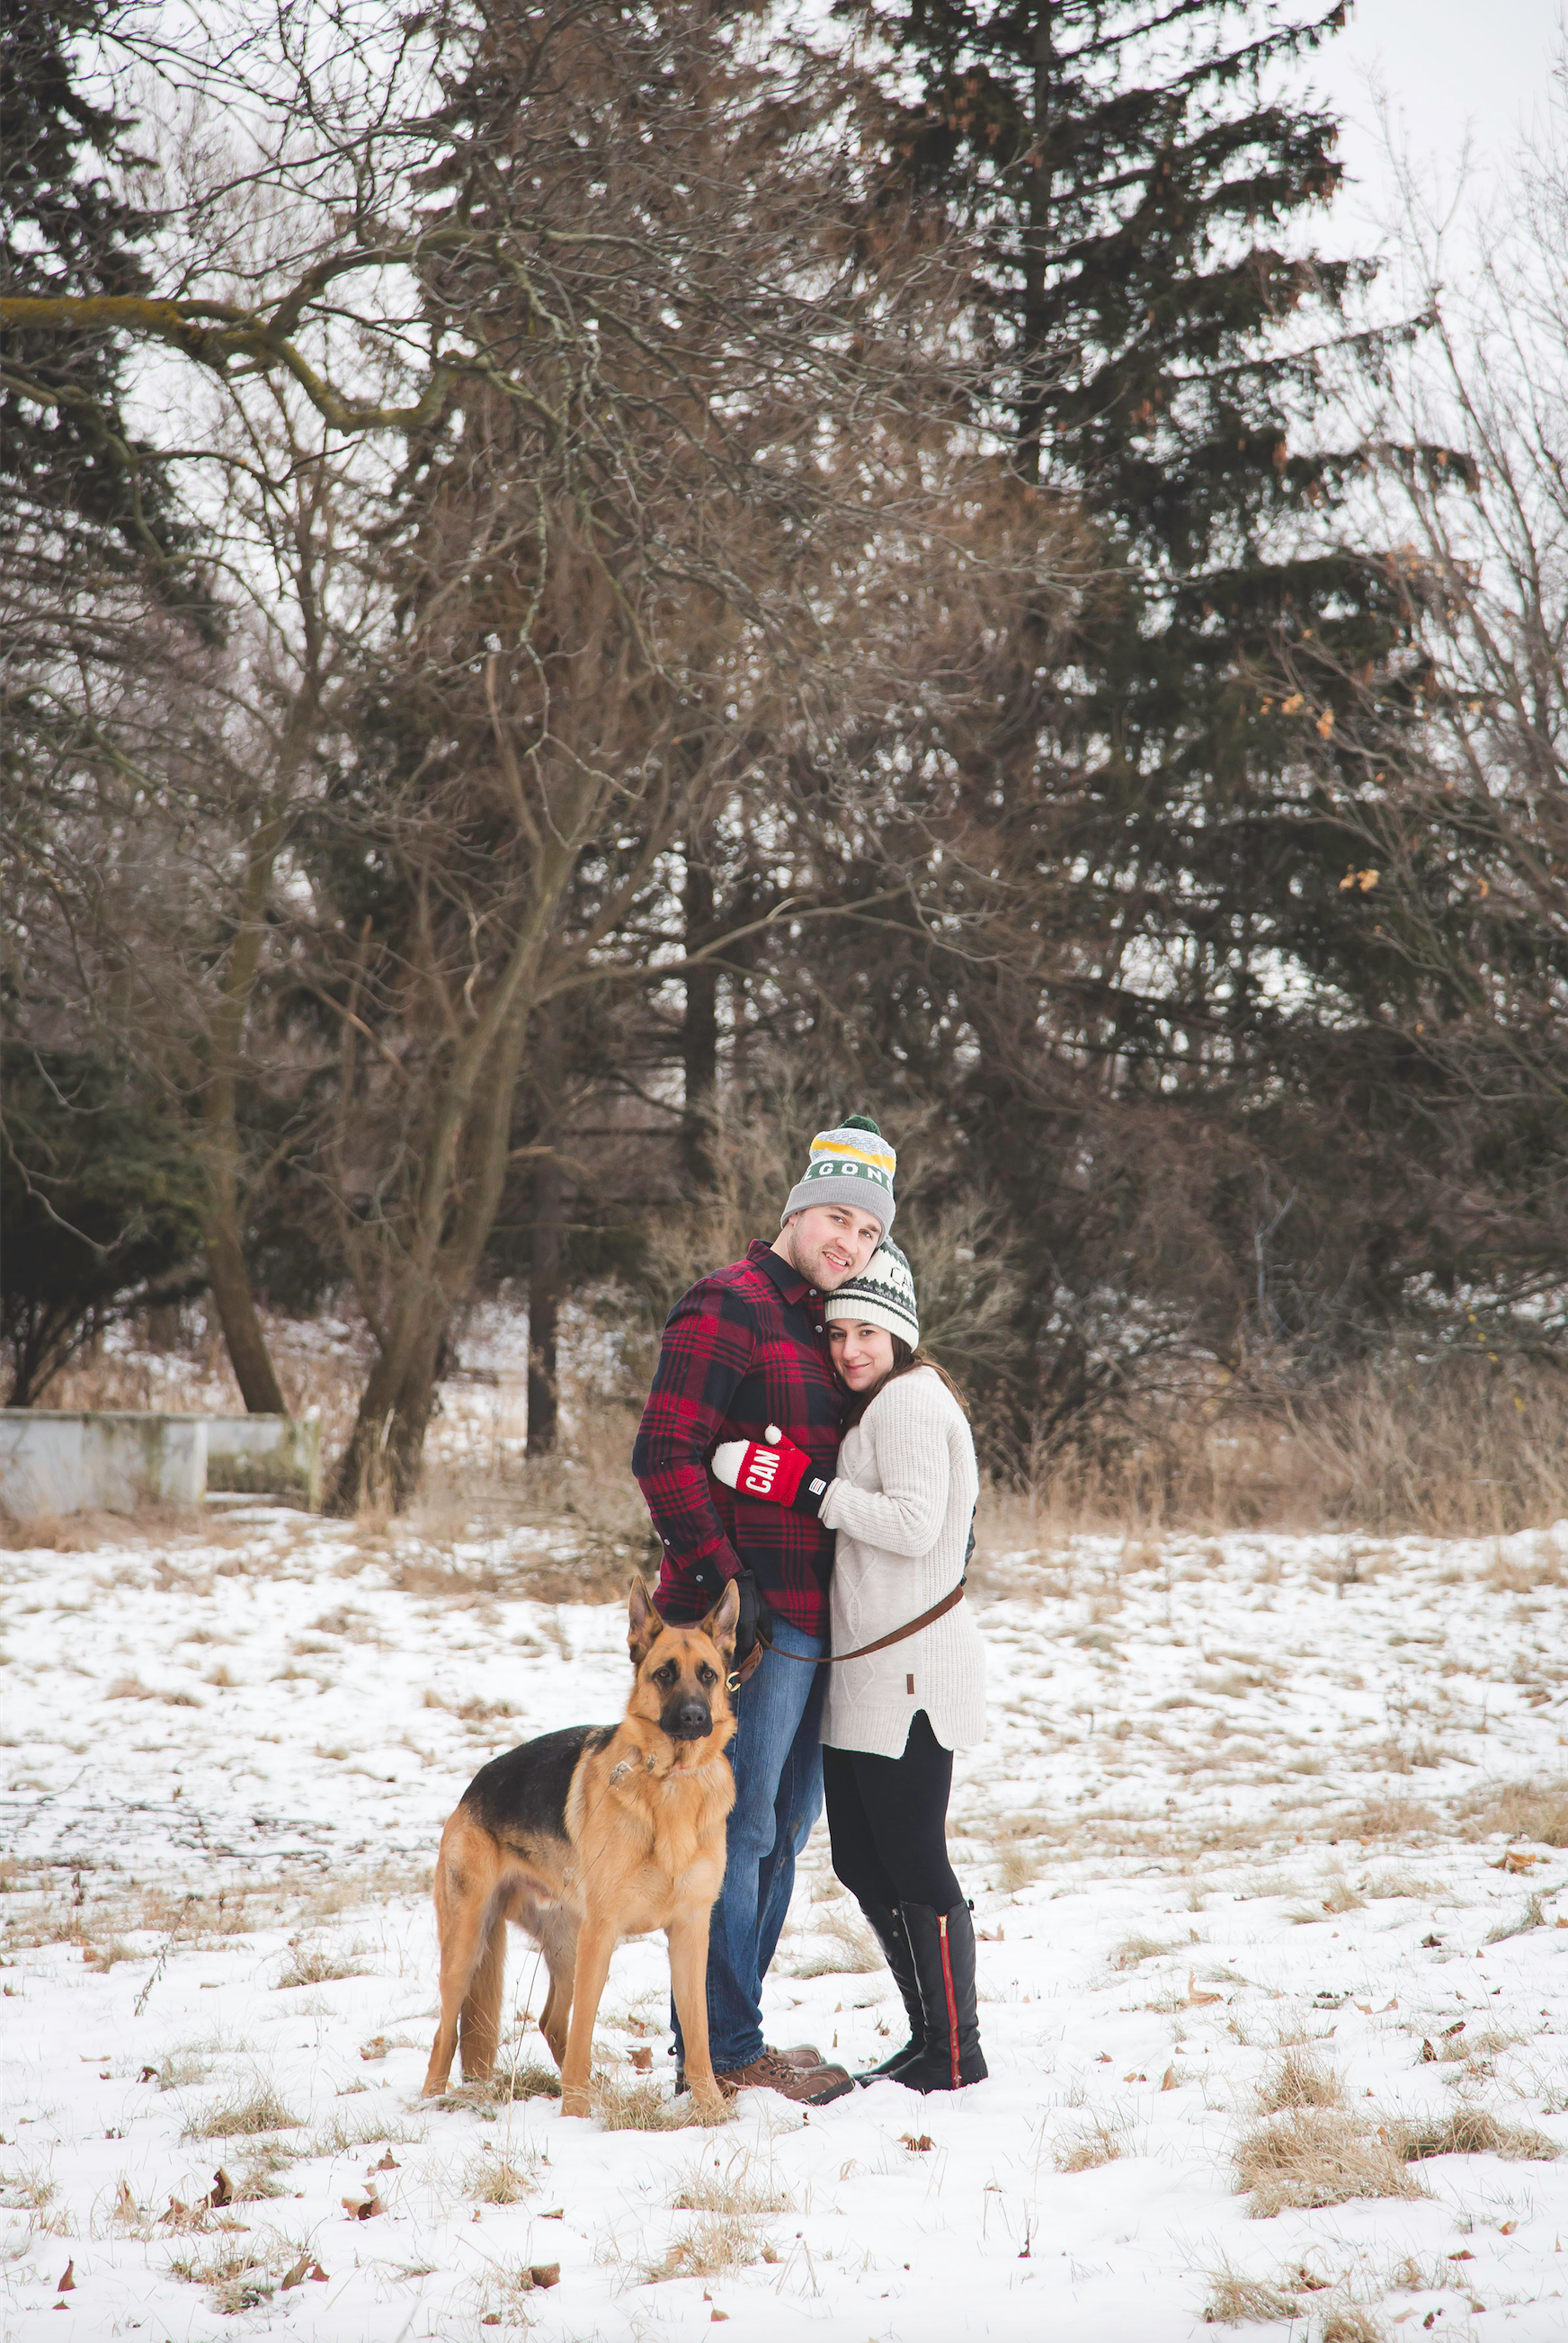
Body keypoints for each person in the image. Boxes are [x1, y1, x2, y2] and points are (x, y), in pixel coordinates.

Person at [631, 1114, 896, 2103]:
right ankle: (716, 2053)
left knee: (779, 1834)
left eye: (869, 1232)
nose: (850, 1242)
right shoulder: (729, 1304)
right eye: (837, 1217)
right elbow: (663, 1455)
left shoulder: (836, 1324)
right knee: (725, 1836)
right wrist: (722, 1591)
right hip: (740, 1633)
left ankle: (732, 2036)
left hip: (817, 1626)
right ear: (796, 1209)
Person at [710, 1237, 986, 2095]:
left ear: (901, 1331)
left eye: (867, 1330)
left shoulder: (907, 1402)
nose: (849, 1349)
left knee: (911, 1858)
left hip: (911, 1673)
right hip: (871, 1669)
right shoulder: (883, 1405)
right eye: (836, 1334)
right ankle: (929, 2038)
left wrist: (801, 1486)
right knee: (864, 1863)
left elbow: (910, 1523)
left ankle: (955, 2049)